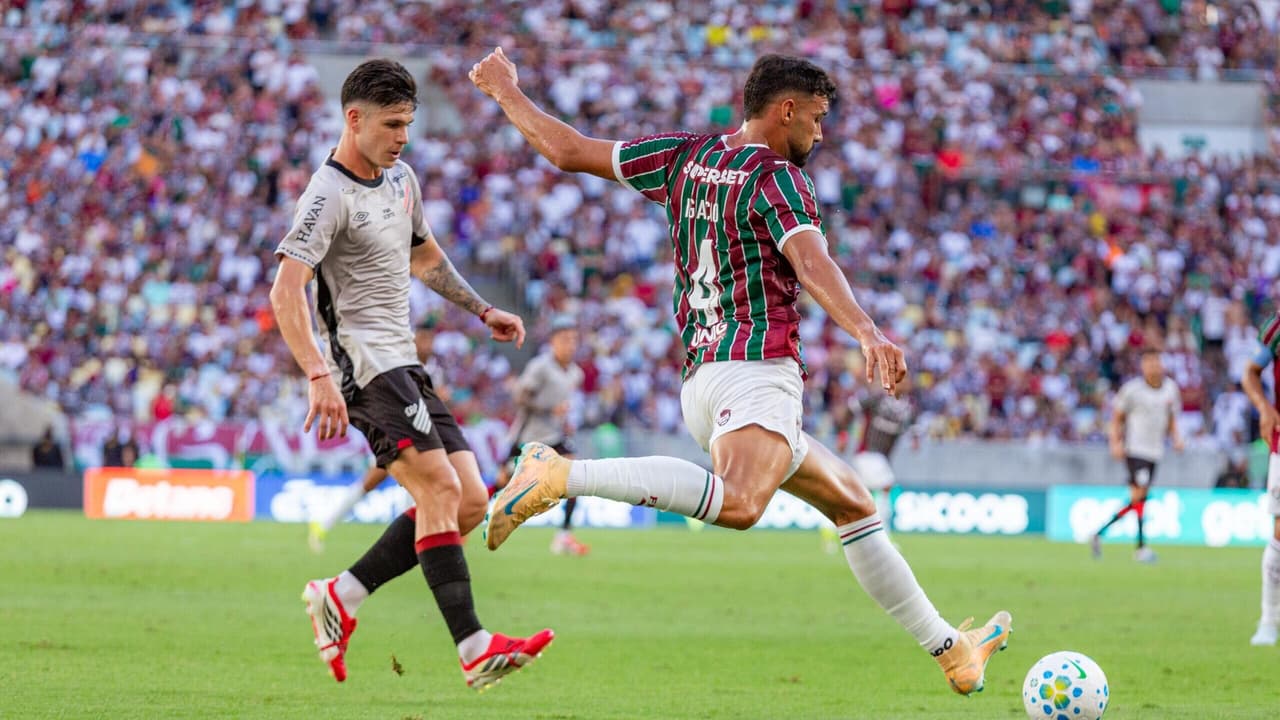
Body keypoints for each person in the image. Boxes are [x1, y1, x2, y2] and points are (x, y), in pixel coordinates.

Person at [470, 49, 1011, 695]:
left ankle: (952, 650)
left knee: (853, 504)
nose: (821, 131)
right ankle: (559, 473)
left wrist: (506, 91)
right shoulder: (778, 177)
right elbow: (812, 264)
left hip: (705, 378)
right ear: (785, 110)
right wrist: (867, 330)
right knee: (743, 503)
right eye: (815, 117)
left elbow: (568, 150)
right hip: (756, 367)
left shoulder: (683, 156)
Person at [270, 58, 552, 690]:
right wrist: (317, 372)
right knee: (440, 494)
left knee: (471, 500)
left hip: (407, 365)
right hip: (366, 369)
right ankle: (475, 646)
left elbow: (424, 257)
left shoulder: (401, 180)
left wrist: (481, 308)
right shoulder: (327, 194)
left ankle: (339, 594)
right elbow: (285, 287)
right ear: (354, 118)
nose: (402, 137)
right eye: (392, 124)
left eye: (408, 124)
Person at [308, 326, 437, 554]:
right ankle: (408, 541)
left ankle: (326, 523)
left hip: (415, 436)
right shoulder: (401, 365)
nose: (427, 345)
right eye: (423, 339)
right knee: (378, 483)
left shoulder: (432, 369)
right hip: (393, 435)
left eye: (430, 340)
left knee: (400, 484)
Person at [493, 314, 589, 556]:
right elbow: (519, 397)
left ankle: (564, 536)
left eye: (574, 340)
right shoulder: (540, 367)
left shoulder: (575, 373)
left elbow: (564, 404)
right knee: (502, 482)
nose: (571, 345)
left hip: (555, 436)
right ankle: (467, 517)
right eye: (566, 339)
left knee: (576, 476)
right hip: (528, 436)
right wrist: (548, 410)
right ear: (554, 342)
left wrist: (565, 422)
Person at [1090, 348, 1183, 563]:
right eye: (1148, 363)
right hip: (1136, 450)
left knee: (1138, 499)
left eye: (1156, 362)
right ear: (1142, 366)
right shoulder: (1132, 390)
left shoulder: (1170, 390)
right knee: (1140, 495)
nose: (1153, 367)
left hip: (1155, 451)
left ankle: (1100, 534)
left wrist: (1177, 438)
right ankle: (1140, 548)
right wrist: (1115, 442)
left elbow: (1171, 419)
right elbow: (1117, 417)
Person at [1241, 311, 1280, 646]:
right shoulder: (1277, 327)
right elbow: (1251, 372)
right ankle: (1269, 619)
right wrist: (1264, 408)